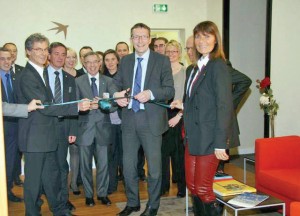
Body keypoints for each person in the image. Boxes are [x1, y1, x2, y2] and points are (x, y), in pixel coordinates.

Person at [16, 33, 90, 216]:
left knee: (52, 176)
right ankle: (32, 213)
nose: (42, 53)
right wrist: (76, 107)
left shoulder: (40, 72)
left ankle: (59, 209)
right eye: (37, 49)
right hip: (35, 139)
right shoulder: (27, 76)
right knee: (33, 183)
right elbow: (45, 106)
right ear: (28, 52)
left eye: (44, 49)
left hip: (47, 136)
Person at [171, 21, 234, 216]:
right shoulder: (192, 69)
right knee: (192, 185)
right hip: (192, 136)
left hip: (210, 138)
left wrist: (221, 142)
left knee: (203, 187)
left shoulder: (218, 66)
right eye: (198, 36)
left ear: (216, 40)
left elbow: (224, 106)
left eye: (207, 36)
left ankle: (214, 211)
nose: (201, 41)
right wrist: (183, 105)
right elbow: (198, 100)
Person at [114, 23, 175, 216]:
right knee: (129, 167)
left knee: (154, 169)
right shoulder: (125, 61)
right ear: (131, 39)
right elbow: (117, 85)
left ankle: (153, 205)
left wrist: (150, 93)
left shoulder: (162, 60)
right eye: (136, 37)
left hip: (152, 122)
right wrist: (118, 95)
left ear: (149, 39)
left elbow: (169, 90)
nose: (139, 40)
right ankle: (132, 202)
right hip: (129, 121)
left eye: (143, 37)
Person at [76, 51, 118, 207]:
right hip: (84, 131)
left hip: (103, 130)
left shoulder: (108, 81)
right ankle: (88, 195)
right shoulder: (77, 81)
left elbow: (114, 105)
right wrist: (83, 107)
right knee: (85, 166)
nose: (92, 65)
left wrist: (102, 104)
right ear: (84, 64)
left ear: (100, 63)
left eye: (95, 61)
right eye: (89, 62)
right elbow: (73, 106)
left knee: (104, 165)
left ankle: (102, 194)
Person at [47, 42, 79, 211]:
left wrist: (73, 129)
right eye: (56, 54)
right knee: (47, 167)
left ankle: (63, 200)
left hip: (64, 127)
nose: (60, 57)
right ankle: (50, 198)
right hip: (44, 127)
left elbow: (74, 105)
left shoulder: (69, 78)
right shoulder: (41, 75)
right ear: (49, 55)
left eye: (63, 54)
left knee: (62, 166)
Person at [161, 40, 186, 198]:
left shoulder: (185, 71)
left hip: (178, 115)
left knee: (179, 154)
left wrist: (178, 116)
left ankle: (182, 188)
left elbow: (188, 97)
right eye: (168, 51)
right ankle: (163, 186)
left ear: (179, 53)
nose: (171, 54)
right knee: (162, 153)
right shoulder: (161, 71)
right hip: (162, 114)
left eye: (174, 51)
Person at [0, 47, 23, 202]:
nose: (6, 61)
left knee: (11, 161)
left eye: (9, 58)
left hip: (15, 126)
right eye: (2, 59)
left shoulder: (16, 77)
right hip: (1, 126)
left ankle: (7, 191)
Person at [102, 49, 123, 193]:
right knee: (110, 155)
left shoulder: (123, 77)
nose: (110, 62)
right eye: (107, 60)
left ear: (117, 60)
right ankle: (112, 185)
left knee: (125, 154)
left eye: (112, 59)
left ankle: (128, 183)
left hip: (124, 122)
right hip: (107, 122)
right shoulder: (101, 78)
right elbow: (102, 103)